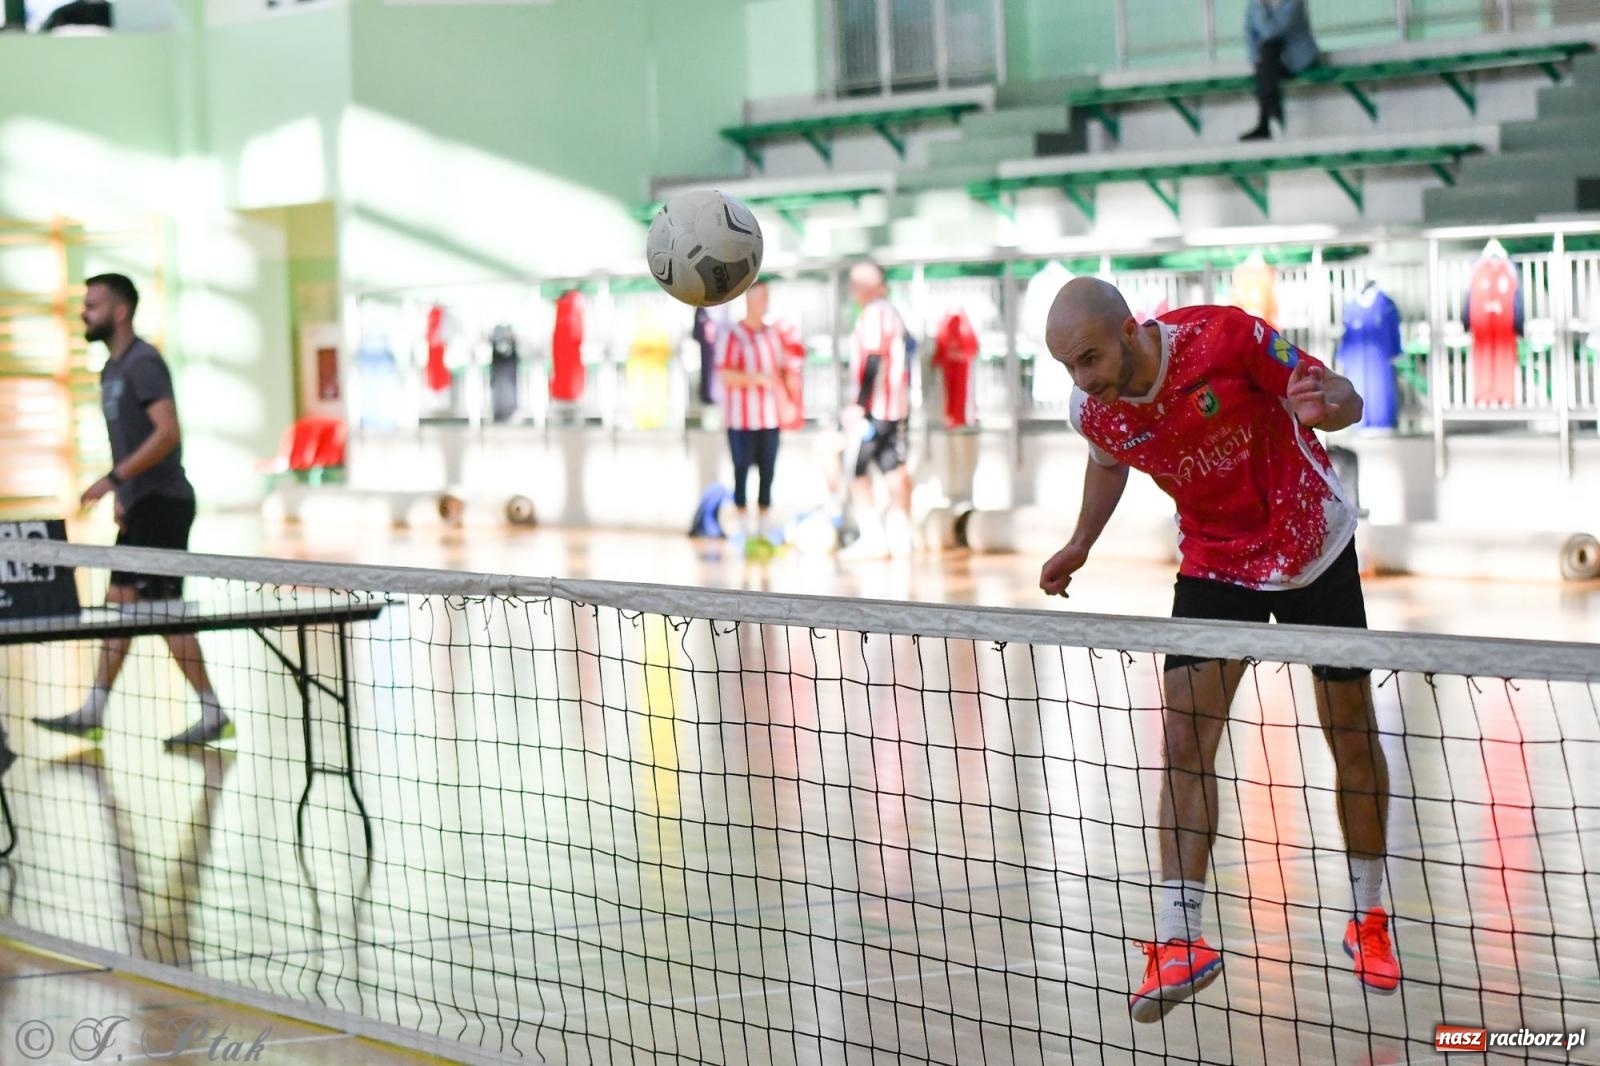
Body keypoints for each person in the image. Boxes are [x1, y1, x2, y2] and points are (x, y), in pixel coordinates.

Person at [1037, 277, 1398, 1022]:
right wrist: (1079, 544)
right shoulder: (1094, 408)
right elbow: (1108, 461)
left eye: (1090, 359)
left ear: (1132, 330)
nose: (1083, 379)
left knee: (1351, 736)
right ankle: (1179, 938)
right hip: (1215, 566)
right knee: (1182, 741)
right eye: (1070, 368)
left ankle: (1368, 921)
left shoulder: (1227, 338)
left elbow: (1340, 399)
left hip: (1311, 550)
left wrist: (1336, 403)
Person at [35, 274, 231, 749]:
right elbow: (126, 438)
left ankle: (212, 712)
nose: (84, 312)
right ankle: (94, 709)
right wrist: (124, 497)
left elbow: (167, 433)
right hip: (142, 505)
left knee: (161, 612)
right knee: (121, 604)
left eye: (93, 304)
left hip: (166, 505)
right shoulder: (110, 371)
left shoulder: (144, 363)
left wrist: (115, 481)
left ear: (119, 312)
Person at [716, 280, 801, 554]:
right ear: (748, 300)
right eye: (759, 298)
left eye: (766, 298)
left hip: (769, 419)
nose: (763, 303)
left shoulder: (772, 335)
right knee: (741, 472)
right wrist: (756, 379)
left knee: (768, 474)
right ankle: (743, 531)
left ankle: (763, 530)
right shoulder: (732, 335)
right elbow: (725, 375)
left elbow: (783, 369)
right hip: (741, 420)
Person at [841, 261, 913, 560]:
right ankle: (900, 537)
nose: (852, 290)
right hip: (894, 407)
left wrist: (860, 403)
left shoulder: (875, 314)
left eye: (856, 284)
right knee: (891, 466)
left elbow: (873, 360)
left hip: (877, 409)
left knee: (858, 470)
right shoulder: (891, 313)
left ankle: (873, 537)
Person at [1241, 0, 1320, 141]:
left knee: (1268, 49)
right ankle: (1270, 114)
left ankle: (1265, 120)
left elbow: (1272, 31)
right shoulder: (1255, 3)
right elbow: (1249, 33)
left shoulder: (1293, 3)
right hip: (1271, 63)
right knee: (1266, 59)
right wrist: (1256, 59)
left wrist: (1260, 7)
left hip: (1297, 58)